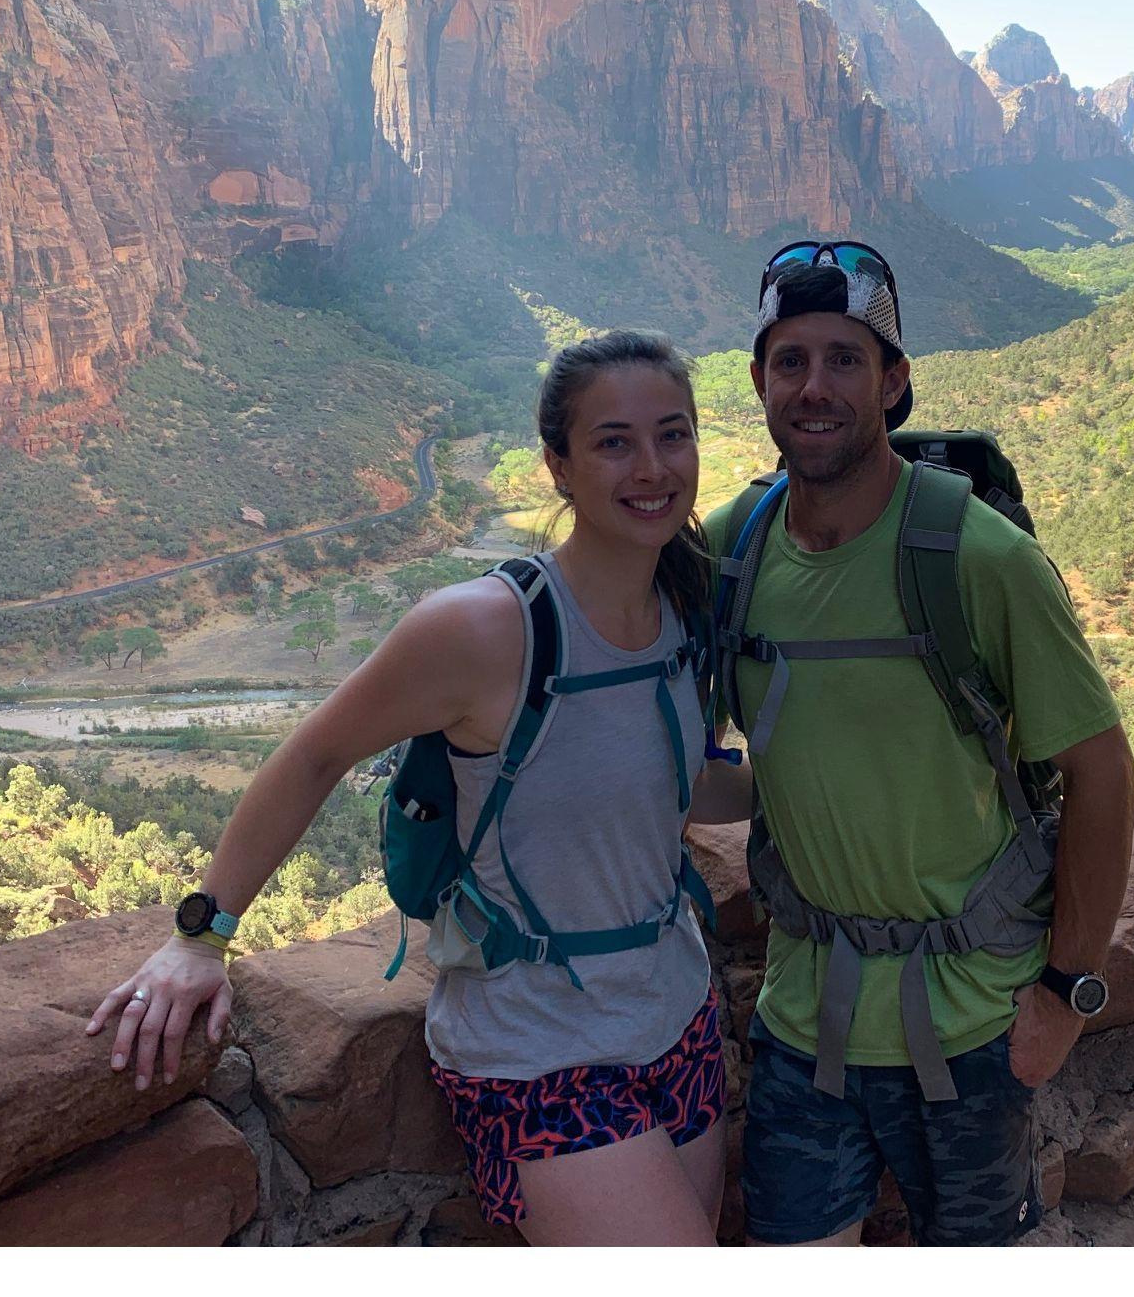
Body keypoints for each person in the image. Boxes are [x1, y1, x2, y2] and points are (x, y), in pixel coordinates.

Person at [87, 330, 733, 1247]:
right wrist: (202, 936)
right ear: (558, 465)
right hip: (541, 1047)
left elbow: (678, 788)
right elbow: (314, 756)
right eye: (613, 442)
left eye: (673, 434)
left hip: (679, 1013)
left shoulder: (686, 606)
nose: (653, 467)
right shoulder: (485, 629)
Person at [703, 240, 1134, 1247]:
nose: (816, 387)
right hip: (802, 1022)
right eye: (791, 361)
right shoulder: (734, 548)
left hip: (975, 1022)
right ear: (759, 382)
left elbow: (1102, 771)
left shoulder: (981, 557)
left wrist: (1067, 995)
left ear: (894, 382)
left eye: (846, 360)